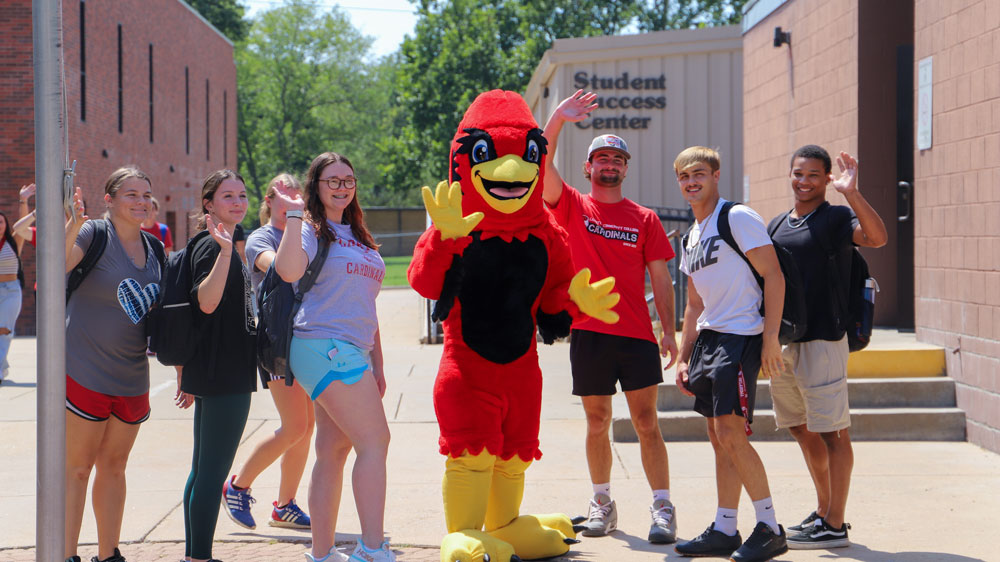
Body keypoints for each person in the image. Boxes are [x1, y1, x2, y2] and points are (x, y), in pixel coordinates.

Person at [543, 90, 680, 543]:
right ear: (589, 168)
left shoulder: (645, 219)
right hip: (588, 332)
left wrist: (670, 331)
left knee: (646, 423)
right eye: (601, 158)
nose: (609, 164)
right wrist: (558, 120)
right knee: (597, 420)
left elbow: (661, 279)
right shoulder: (573, 206)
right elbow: (540, 166)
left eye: (616, 159)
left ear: (625, 168)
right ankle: (601, 501)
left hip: (637, 334)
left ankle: (662, 506)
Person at [273, 152, 393, 562]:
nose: (342, 186)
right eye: (332, 180)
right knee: (375, 441)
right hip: (322, 344)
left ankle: (321, 554)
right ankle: (372, 549)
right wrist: (292, 218)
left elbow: (367, 305)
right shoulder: (310, 228)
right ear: (316, 187)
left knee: (334, 451)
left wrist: (377, 363)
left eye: (348, 179)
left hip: (352, 348)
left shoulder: (358, 235)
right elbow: (288, 272)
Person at [672, 147, 788, 561]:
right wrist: (685, 357)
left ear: (716, 175)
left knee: (731, 434)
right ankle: (724, 528)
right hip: (709, 340)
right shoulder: (692, 235)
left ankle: (771, 527)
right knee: (718, 436)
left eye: (699, 174)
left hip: (741, 337)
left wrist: (770, 337)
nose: (691, 182)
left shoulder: (735, 217)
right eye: (684, 177)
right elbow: (694, 305)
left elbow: (773, 276)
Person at [770, 145, 887, 549]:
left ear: (825, 179)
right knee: (802, 430)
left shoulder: (836, 217)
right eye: (798, 173)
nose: (804, 182)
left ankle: (836, 525)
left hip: (824, 338)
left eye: (813, 175)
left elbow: (876, 237)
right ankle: (823, 511)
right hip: (785, 343)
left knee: (834, 433)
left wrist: (851, 193)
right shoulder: (777, 224)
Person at [63, 168, 163, 562]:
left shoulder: (155, 248)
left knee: (115, 468)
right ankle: (67, 554)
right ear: (110, 199)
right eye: (130, 194)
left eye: (145, 194)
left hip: (132, 376)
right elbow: (59, 263)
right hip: (83, 370)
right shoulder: (93, 234)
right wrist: (72, 223)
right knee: (78, 470)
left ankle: (109, 555)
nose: (140, 201)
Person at [222, 173, 316, 531]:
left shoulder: (310, 233)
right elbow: (280, 269)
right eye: (284, 196)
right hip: (276, 340)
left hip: (308, 337)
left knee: (306, 429)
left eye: (298, 196)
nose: (292, 201)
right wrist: (297, 223)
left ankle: (285, 505)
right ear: (270, 201)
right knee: (294, 426)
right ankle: (237, 486)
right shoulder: (262, 237)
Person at [177, 169, 257, 562]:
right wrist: (226, 253)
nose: (238, 202)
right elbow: (206, 303)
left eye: (242, 195)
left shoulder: (212, 241)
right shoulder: (214, 246)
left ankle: (196, 555)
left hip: (213, 369)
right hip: (223, 372)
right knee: (211, 474)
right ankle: (200, 558)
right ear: (208, 203)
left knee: (201, 471)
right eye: (228, 196)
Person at [0, 210, 23, 384]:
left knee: (4, 330)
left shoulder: (13, 242)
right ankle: (2, 364)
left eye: (1, 222)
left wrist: (24, 202)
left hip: (11, 291)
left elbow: (22, 226)